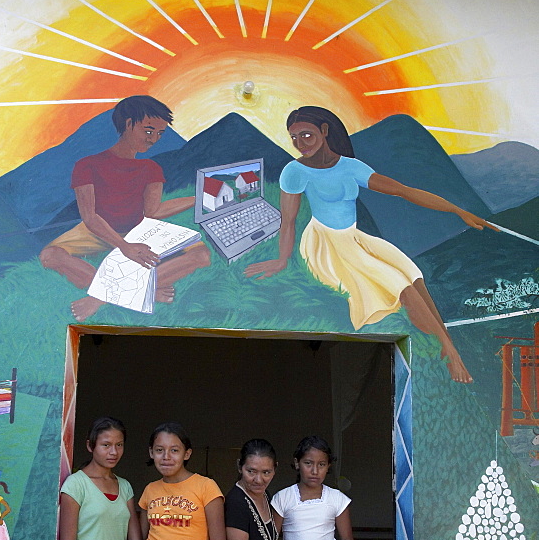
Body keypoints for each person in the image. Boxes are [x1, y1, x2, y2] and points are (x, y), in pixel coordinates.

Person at [245, 106, 497, 384]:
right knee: (400, 285)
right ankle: (450, 355)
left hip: (353, 238)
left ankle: (451, 348)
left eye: (306, 135)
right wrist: (281, 260)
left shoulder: (350, 167)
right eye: (294, 138)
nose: (300, 144)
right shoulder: (294, 171)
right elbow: (288, 221)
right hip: (324, 244)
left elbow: (402, 190)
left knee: (414, 276)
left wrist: (458, 211)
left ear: (325, 131)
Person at [39, 95, 210, 322]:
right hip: (96, 230)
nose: (153, 139)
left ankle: (104, 296)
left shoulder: (151, 168)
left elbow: (153, 212)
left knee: (201, 255)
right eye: (148, 131)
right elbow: (89, 217)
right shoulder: (87, 165)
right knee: (50, 256)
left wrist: (198, 199)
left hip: (140, 229)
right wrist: (124, 247)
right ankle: (143, 291)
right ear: (128, 124)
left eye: (159, 134)